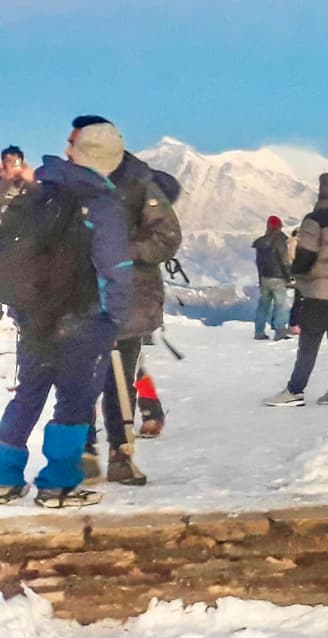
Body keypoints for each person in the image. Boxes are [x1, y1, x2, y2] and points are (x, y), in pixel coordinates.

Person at [0, 121, 132, 507]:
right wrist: (116, 317)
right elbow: (114, 268)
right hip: (84, 316)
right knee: (74, 401)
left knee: (28, 392)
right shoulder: (101, 201)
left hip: (36, 314)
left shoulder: (42, 190)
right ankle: (58, 483)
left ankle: (5, 477)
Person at [91, 119, 183, 487]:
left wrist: (118, 253)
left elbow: (164, 238)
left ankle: (124, 440)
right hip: (123, 299)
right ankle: (134, 429)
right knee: (116, 373)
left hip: (128, 299)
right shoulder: (114, 185)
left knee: (121, 371)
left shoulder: (133, 187)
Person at [265, 173, 328, 407]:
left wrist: (298, 273)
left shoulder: (313, 220)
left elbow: (306, 255)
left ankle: (295, 391)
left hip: (316, 293)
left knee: (308, 345)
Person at [252, 216, 292, 340]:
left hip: (264, 277)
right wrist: (288, 276)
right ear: (280, 226)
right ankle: (280, 332)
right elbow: (284, 260)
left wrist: (260, 279)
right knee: (281, 305)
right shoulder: (281, 241)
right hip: (278, 277)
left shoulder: (261, 242)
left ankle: (259, 332)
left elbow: (259, 262)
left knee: (263, 305)